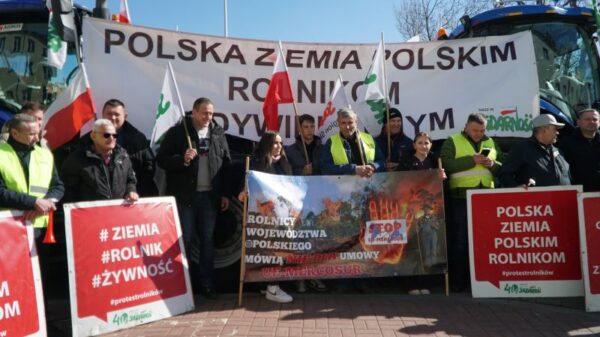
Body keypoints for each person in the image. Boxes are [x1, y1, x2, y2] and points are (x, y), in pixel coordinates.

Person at [156, 97, 230, 299]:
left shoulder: (218, 132)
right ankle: (183, 285)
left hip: (210, 198)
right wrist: (182, 159)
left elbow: (226, 165)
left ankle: (207, 284)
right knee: (185, 241)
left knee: (208, 241)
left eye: (211, 113)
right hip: (186, 197)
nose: (208, 117)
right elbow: (161, 160)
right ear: (194, 112)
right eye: (204, 112)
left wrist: (225, 193)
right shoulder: (179, 132)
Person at [440, 112, 503, 292]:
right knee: (461, 240)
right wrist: (471, 160)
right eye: (475, 130)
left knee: (486, 240)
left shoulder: (490, 142)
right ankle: (459, 283)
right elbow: (445, 164)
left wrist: (493, 164)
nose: (478, 134)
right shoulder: (452, 140)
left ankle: (483, 279)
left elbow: (504, 165)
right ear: (466, 126)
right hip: (461, 198)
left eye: (482, 130)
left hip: (486, 198)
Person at [239, 131, 294, 303]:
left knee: (278, 251)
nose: (279, 146)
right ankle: (272, 288)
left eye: (280, 143)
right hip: (264, 217)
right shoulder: (256, 163)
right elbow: (249, 185)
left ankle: (270, 284)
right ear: (266, 144)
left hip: (282, 216)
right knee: (268, 251)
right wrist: (243, 192)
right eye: (275, 143)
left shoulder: (284, 162)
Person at [397, 132, 446, 295]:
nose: (423, 146)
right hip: (411, 211)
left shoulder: (435, 161)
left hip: (429, 214)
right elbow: (399, 182)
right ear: (414, 145)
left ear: (431, 145)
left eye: (426, 143)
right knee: (412, 248)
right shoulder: (406, 162)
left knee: (427, 248)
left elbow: (441, 189)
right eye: (420, 143)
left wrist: (443, 178)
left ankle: (426, 283)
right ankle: (411, 285)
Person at [285, 114, 328, 293]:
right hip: (298, 200)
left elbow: (328, 168)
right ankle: (299, 278)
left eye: (312, 126)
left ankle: (314, 276)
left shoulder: (322, 148)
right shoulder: (290, 150)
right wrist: (301, 171)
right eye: (306, 127)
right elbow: (284, 175)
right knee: (300, 240)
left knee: (317, 239)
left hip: (318, 199)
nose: (309, 130)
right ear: (299, 129)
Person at [0, 113, 64, 229]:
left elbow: (57, 186)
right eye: (32, 134)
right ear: (15, 133)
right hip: (9, 225)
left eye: (38, 133)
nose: (37, 138)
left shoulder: (45, 154)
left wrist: (44, 204)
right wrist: (34, 202)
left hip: (40, 225)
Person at [61, 119, 139, 202]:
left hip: (118, 212)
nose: (111, 138)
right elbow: (69, 191)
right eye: (106, 135)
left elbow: (130, 180)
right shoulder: (77, 159)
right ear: (93, 136)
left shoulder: (123, 156)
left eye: (115, 135)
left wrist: (131, 191)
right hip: (89, 213)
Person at [100, 99, 157, 196]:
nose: (113, 117)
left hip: (133, 196)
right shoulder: (89, 140)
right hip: (101, 199)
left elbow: (149, 166)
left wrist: (137, 191)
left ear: (125, 116)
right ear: (102, 115)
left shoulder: (138, 138)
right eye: (109, 114)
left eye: (117, 114)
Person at [499, 114, 570, 187]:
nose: (557, 132)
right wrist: (516, 188)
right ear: (544, 130)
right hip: (535, 198)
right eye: (555, 129)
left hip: (563, 197)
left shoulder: (558, 151)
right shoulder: (522, 148)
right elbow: (504, 175)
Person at [321, 107, 385, 176]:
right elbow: (325, 168)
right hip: (343, 185)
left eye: (350, 122)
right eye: (343, 123)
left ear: (356, 122)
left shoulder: (369, 138)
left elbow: (381, 162)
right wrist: (353, 169)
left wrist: (373, 167)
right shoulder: (331, 142)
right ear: (338, 124)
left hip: (369, 184)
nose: (347, 127)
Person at [557, 108, 600, 192]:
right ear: (578, 122)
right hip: (578, 194)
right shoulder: (565, 143)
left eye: (595, 119)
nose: (591, 122)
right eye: (587, 119)